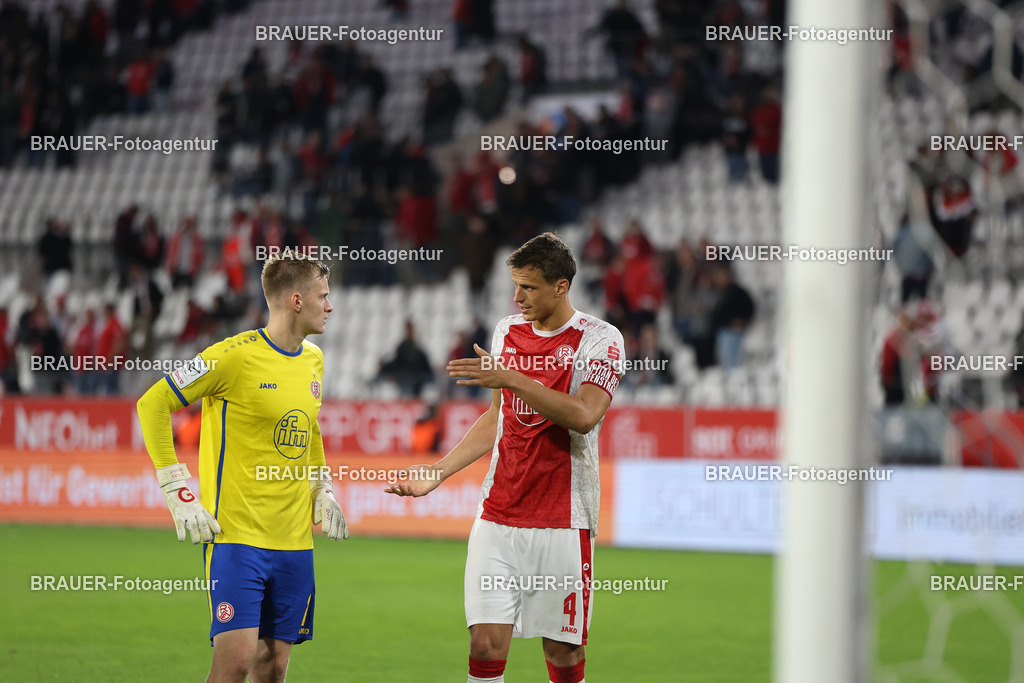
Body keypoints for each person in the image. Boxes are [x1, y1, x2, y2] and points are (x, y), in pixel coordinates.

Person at [385, 232, 625, 683]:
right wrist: (435, 473)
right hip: (498, 514)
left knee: (563, 652)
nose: (517, 298)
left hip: (562, 518)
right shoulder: (507, 332)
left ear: (561, 286)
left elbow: (584, 415)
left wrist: (511, 378)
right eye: (515, 286)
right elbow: (498, 419)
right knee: (484, 644)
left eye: (529, 287)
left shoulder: (601, 340)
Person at [136, 253, 349, 683]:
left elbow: (309, 430)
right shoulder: (231, 356)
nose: (329, 306)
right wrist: (177, 490)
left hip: (295, 544)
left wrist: (321, 488)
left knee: (274, 667)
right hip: (236, 539)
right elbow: (153, 402)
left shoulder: (313, 360)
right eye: (323, 296)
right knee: (234, 664)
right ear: (295, 300)